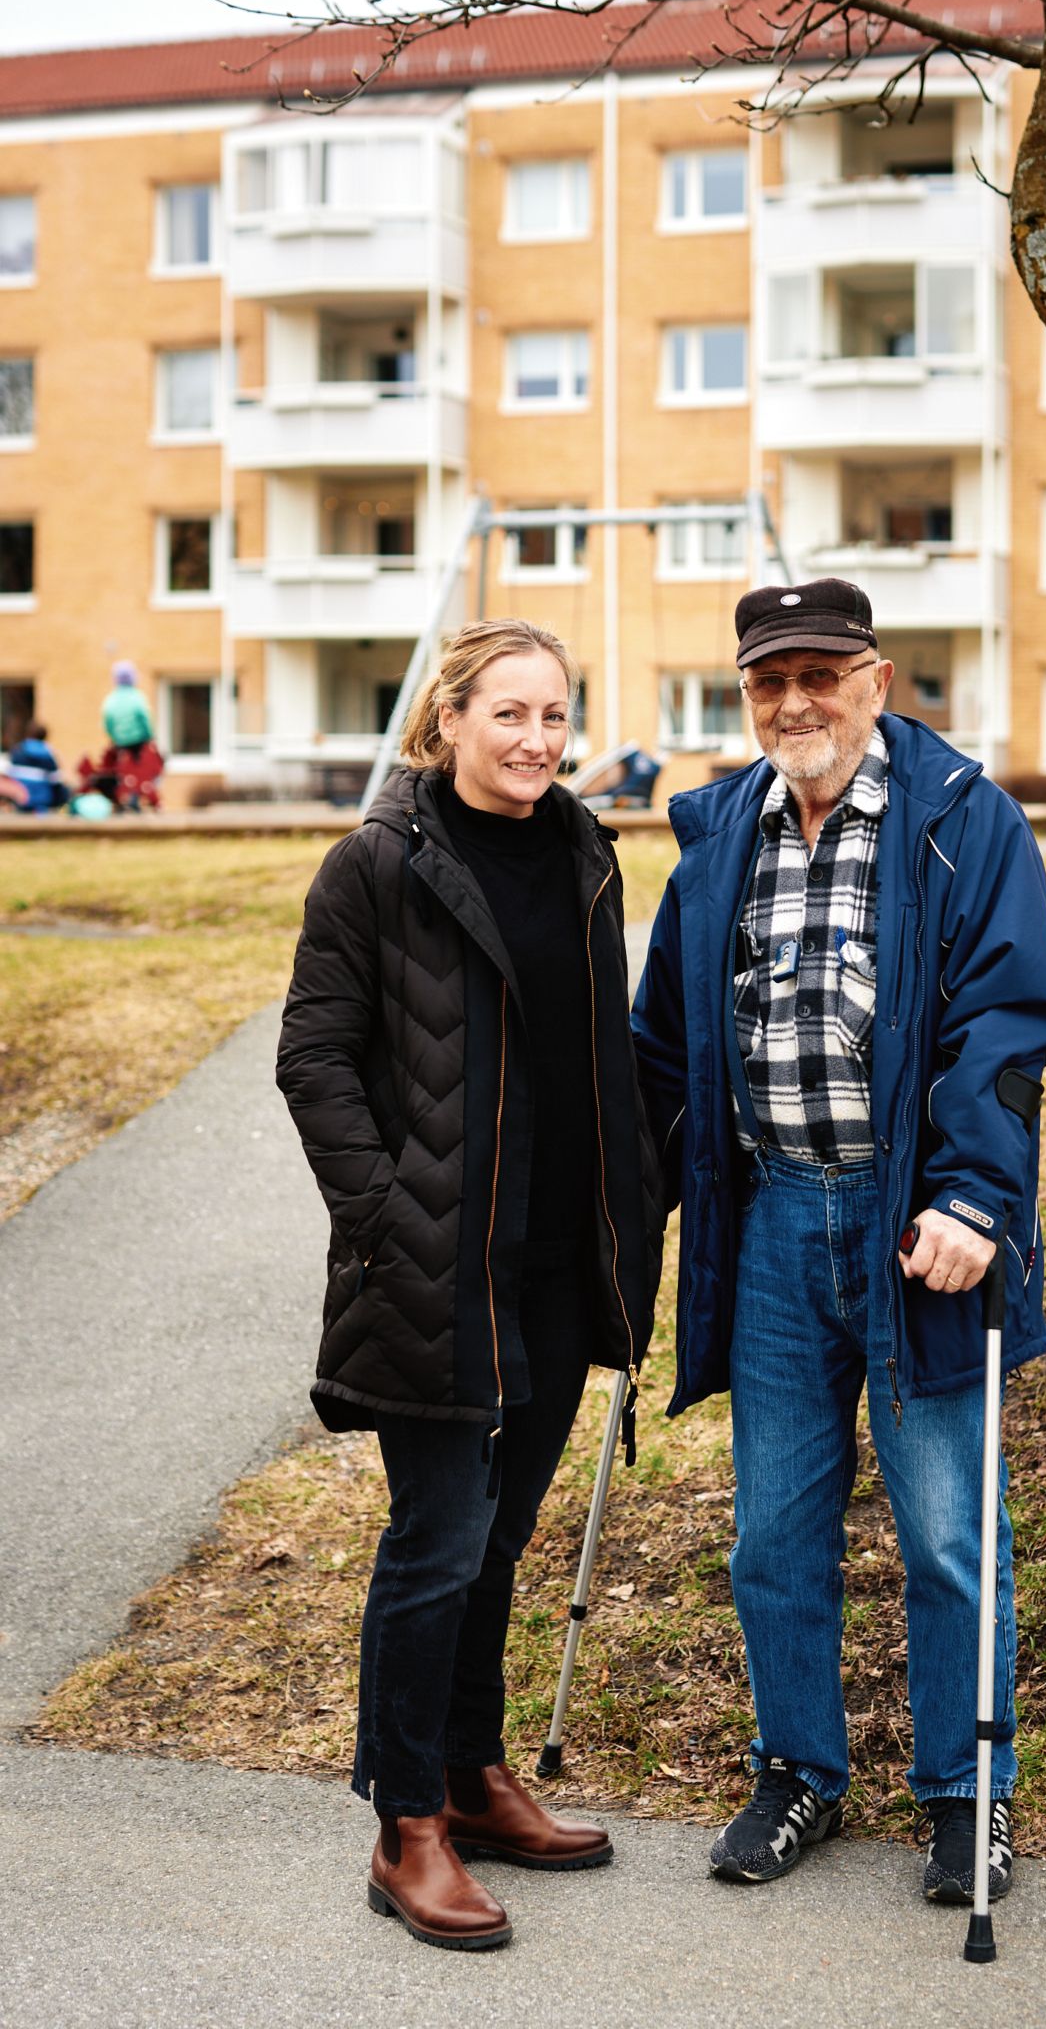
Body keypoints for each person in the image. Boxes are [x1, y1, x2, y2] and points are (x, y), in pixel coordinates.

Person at [631, 578, 1046, 1904]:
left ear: (875, 680)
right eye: (769, 681)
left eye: (819, 675)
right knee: (772, 1534)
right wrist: (628, 1196)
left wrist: (975, 1199)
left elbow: (1005, 1029)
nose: (795, 703)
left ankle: (966, 1792)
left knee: (946, 1533)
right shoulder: (718, 834)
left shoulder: (961, 819)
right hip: (771, 1218)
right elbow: (666, 1045)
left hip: (914, 1222)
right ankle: (796, 1773)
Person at [277, 618, 663, 1952]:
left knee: (496, 1540)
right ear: (447, 719)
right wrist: (388, 1216)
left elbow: (595, 1048)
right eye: (509, 713)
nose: (536, 740)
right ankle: (406, 1824)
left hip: (559, 1263)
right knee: (435, 1540)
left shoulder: (583, 850)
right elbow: (314, 1058)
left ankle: (471, 1773)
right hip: (433, 1266)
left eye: (555, 715)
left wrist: (637, 1188)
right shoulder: (377, 863)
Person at [101, 660, 155, 750]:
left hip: (119, 745)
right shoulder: (137, 697)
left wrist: (114, 738)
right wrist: (150, 737)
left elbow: (108, 724)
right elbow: (145, 720)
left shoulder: (110, 700)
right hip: (138, 745)